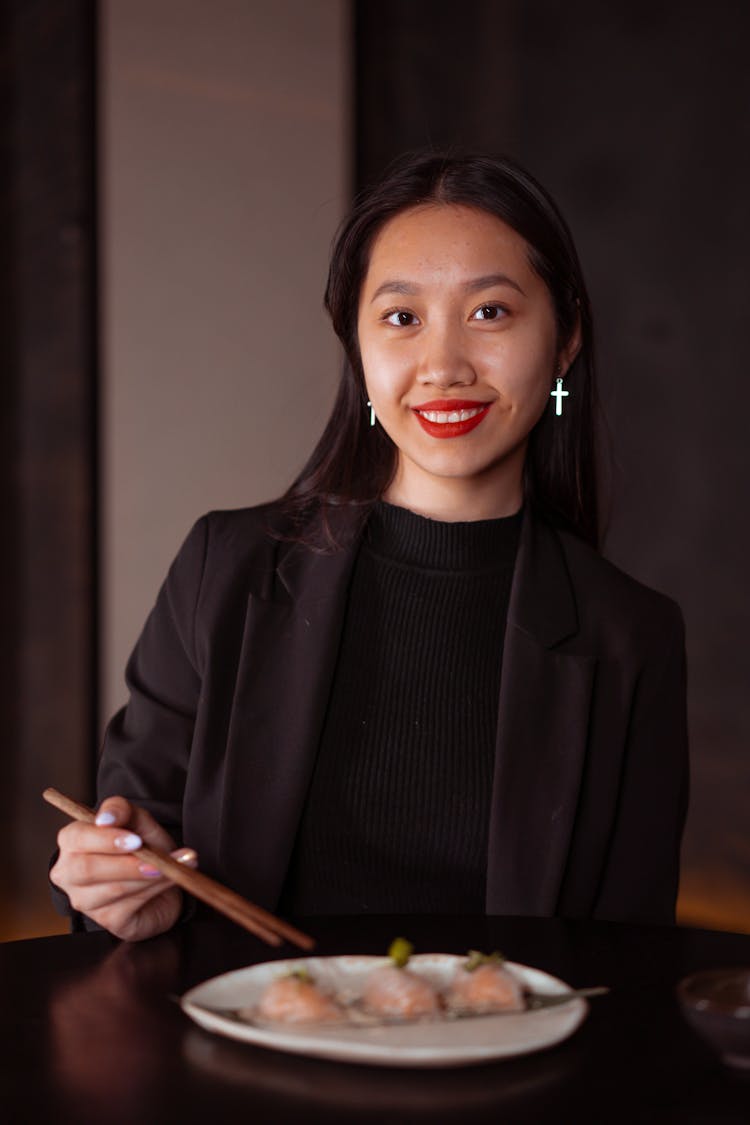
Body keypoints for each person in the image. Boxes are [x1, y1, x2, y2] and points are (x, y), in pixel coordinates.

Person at [50, 151, 689, 941]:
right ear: (356, 348)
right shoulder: (227, 568)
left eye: (490, 312)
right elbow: (131, 846)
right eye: (401, 317)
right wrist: (114, 890)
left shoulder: (633, 637)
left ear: (563, 343)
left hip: (504, 1063)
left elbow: (630, 971)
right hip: (244, 1052)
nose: (445, 365)